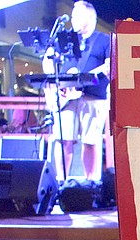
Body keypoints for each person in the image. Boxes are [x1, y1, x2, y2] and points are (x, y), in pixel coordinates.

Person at [43, 1, 110, 182]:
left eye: (77, 16)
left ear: (89, 17)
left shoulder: (103, 40)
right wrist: (54, 84)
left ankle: (90, 184)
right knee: (62, 139)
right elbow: (48, 60)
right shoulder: (65, 40)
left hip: (93, 96)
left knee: (90, 141)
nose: (72, 20)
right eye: (72, 16)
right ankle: (61, 182)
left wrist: (87, 77)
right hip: (66, 98)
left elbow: (110, 67)